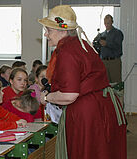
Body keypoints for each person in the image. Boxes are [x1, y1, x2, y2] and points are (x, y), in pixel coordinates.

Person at [38, 5, 126, 159]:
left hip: (87, 113)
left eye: (49, 30)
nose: (46, 34)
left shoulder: (67, 50)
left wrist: (46, 98)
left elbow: (69, 94)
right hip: (101, 106)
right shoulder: (81, 44)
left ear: (62, 30)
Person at [96, 14, 124, 83]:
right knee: (105, 83)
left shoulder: (117, 33)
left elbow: (117, 46)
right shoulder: (102, 34)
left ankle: (117, 94)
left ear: (112, 22)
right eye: (105, 23)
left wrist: (107, 44)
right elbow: (97, 47)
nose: (106, 25)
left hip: (114, 62)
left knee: (115, 84)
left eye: (108, 23)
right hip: (104, 62)